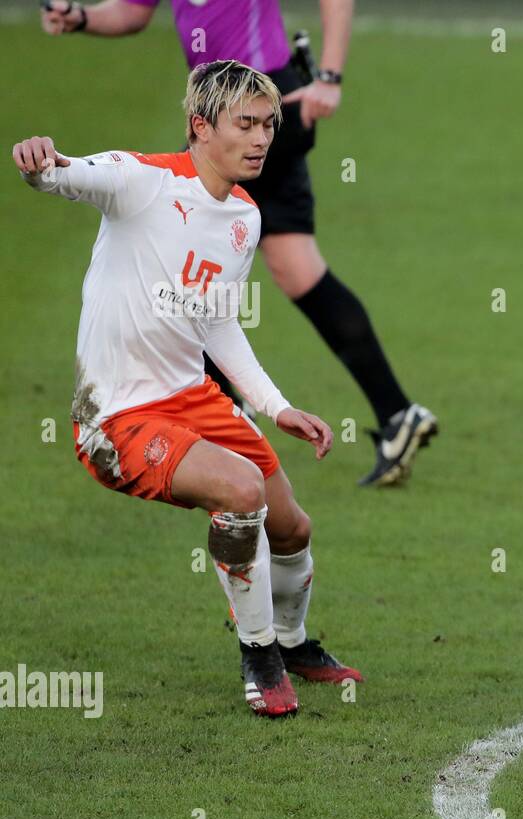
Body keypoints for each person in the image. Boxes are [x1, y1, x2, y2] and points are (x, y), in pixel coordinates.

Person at [13, 59, 364, 718]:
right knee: (240, 492)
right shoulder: (140, 181)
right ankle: (257, 652)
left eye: (268, 125)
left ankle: (291, 642)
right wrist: (38, 162)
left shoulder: (244, 217)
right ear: (200, 126)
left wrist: (276, 406)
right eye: (245, 124)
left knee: (291, 528)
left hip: (194, 399)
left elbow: (218, 323)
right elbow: (63, 173)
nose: (261, 140)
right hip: (117, 418)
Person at [40, 0, 437, 486]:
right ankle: (393, 413)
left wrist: (329, 76)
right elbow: (133, 11)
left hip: (252, 114)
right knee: (294, 270)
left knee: (197, 269)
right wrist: (80, 17)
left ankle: (220, 422)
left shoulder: (253, 132)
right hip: (224, 119)